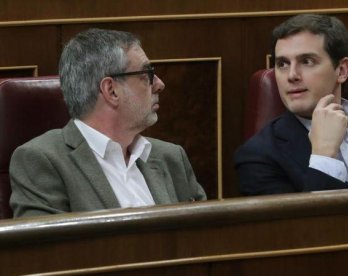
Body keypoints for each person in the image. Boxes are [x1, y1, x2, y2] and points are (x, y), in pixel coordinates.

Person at [9, 28, 206, 217]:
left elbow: (204, 238)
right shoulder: (43, 161)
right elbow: (48, 250)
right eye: (147, 75)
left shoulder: (171, 158)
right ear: (111, 90)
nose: (159, 84)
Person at [235, 14, 348, 195]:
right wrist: (323, 155)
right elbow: (305, 223)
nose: (291, 75)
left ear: (342, 71)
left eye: (307, 61)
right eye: (282, 64)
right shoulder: (258, 157)